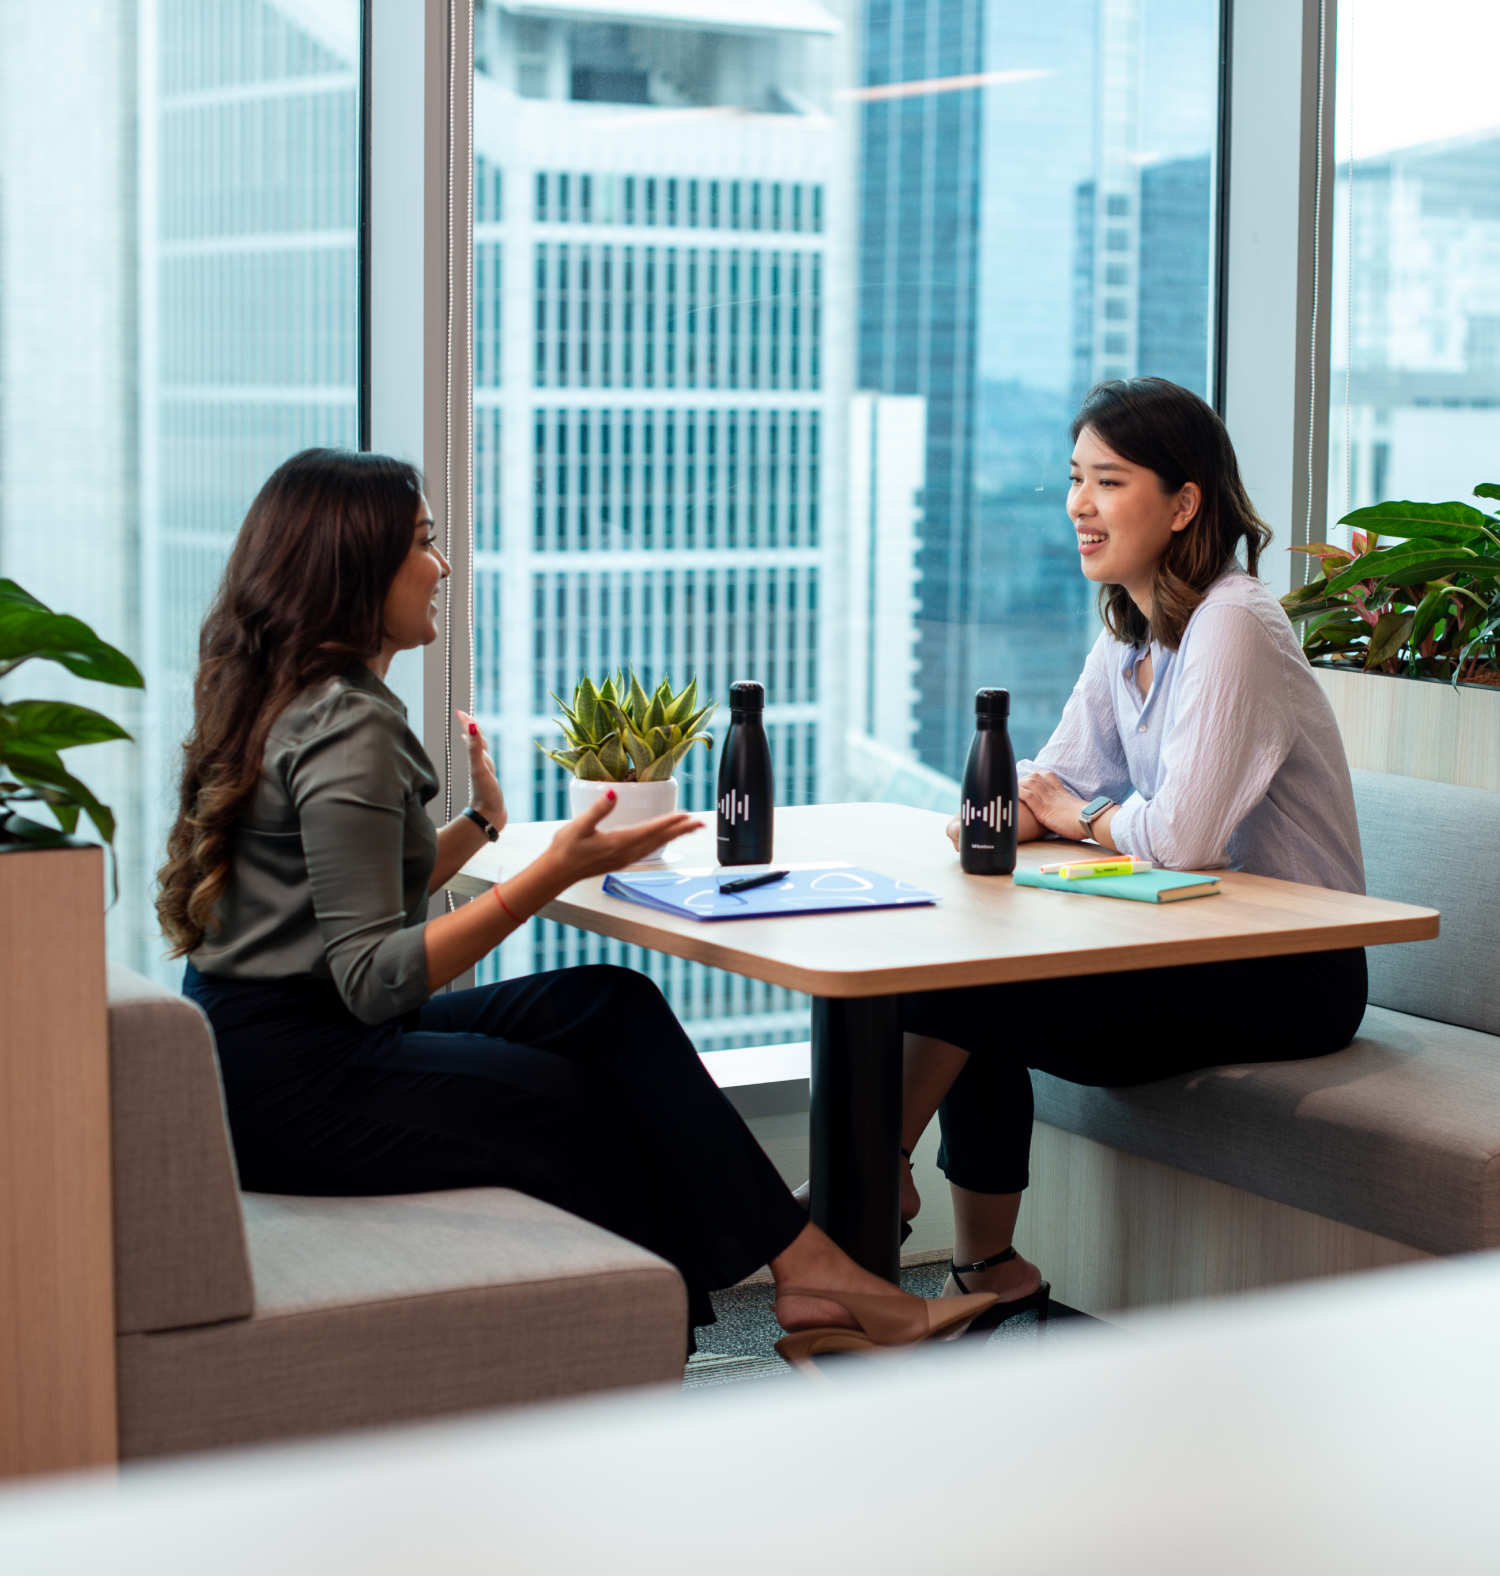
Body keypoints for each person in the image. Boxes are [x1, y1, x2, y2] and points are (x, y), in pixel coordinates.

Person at [156, 447, 994, 1364]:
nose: (442, 567)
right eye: (423, 544)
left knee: (608, 1004)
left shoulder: (299, 698)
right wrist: (550, 871)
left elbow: (342, 900)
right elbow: (374, 978)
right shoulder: (347, 724)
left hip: (261, 1048)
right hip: (297, 1079)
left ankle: (805, 1273)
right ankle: (652, 1365)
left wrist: (482, 825)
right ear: (358, 568)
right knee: (577, 1105)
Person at [899, 378, 1367, 1333]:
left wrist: (1074, 813)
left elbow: (1179, 837)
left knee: (963, 989)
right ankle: (982, 1264)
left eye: (1108, 482)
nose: (1080, 504)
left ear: (1184, 502)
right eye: (1075, 479)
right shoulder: (1129, 635)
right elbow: (1051, 782)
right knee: (948, 969)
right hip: (1188, 952)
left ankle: (862, 1197)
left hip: (1291, 970)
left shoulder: (1234, 620)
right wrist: (1020, 809)